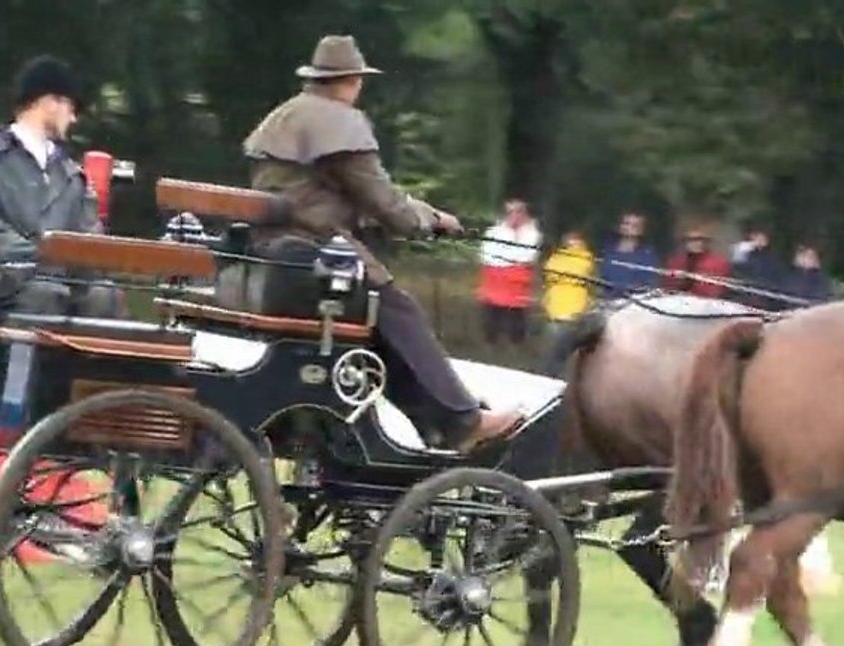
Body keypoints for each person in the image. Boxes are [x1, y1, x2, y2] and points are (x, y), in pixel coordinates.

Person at [240, 34, 524, 453]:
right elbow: (383, 200)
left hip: (279, 263)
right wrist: (426, 221)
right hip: (316, 264)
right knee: (397, 309)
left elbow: (332, 196)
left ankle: (435, 421)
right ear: (353, 80)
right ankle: (462, 420)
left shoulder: (287, 118)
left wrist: (419, 212)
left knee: (380, 328)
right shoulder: (336, 121)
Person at [0, 55, 123, 316]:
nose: (74, 119)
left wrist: (96, 265)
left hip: (60, 284)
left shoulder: (71, 177)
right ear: (49, 102)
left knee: (105, 297)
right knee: (45, 295)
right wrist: (43, 254)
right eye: (70, 107)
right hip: (8, 281)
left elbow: (89, 240)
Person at [477, 199, 541, 345]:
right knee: (492, 314)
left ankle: (516, 345)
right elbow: (487, 254)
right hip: (495, 279)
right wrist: (510, 258)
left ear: (524, 214)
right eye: (510, 212)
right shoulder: (494, 232)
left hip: (517, 282)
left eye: (518, 212)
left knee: (516, 316)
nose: (514, 215)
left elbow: (527, 257)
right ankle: (490, 344)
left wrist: (506, 257)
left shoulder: (532, 234)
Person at [540, 230, 594, 377]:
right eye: (570, 240)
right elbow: (549, 272)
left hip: (572, 313)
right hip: (556, 311)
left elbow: (578, 273)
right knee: (552, 351)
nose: (572, 243)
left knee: (563, 352)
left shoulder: (585, 259)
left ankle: (558, 379)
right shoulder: (557, 257)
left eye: (575, 240)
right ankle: (550, 377)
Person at [597, 212, 661, 298]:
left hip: (631, 303)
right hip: (602, 302)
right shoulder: (606, 249)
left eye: (634, 226)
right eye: (626, 223)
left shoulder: (647, 256)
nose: (628, 228)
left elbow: (648, 285)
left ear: (641, 230)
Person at [663, 223, 731, 298]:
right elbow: (668, 287)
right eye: (690, 240)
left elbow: (715, 291)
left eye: (699, 239)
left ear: (706, 242)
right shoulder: (675, 262)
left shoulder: (719, 263)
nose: (695, 243)